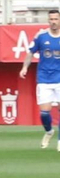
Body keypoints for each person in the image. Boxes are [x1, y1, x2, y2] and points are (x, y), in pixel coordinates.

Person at [19, 11, 60, 148]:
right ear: (48, 20)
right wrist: (24, 67)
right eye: (51, 19)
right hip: (44, 78)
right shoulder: (41, 36)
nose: (53, 21)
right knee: (44, 112)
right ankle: (49, 131)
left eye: (56, 19)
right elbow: (30, 52)